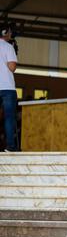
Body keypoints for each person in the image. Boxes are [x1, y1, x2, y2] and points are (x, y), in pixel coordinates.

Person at [0, 23, 18, 152]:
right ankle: (10, 147)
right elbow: (12, 67)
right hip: (7, 87)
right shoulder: (8, 47)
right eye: (10, 32)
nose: (11, 34)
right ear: (5, 33)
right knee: (9, 117)